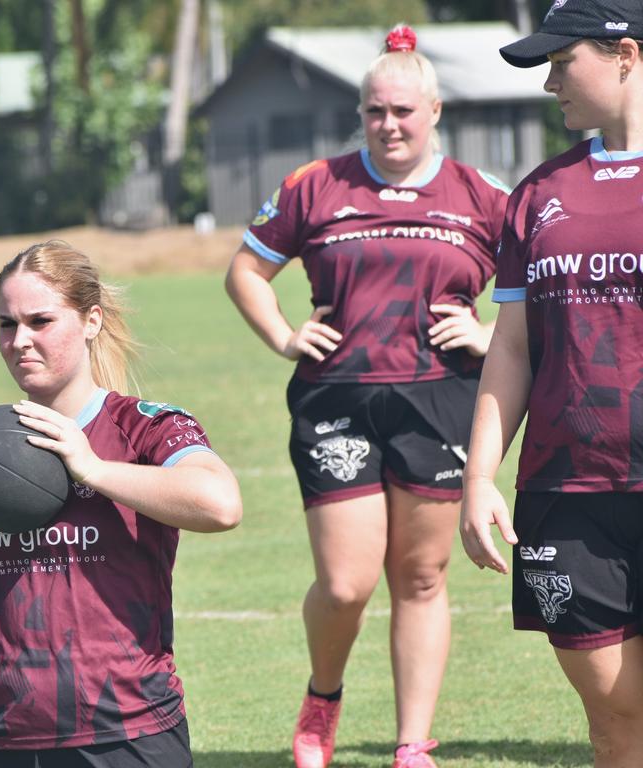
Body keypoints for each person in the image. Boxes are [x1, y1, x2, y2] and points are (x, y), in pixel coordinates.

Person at [224, 24, 509, 768]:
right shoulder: (314, 185)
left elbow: (542, 286)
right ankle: (324, 696)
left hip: (440, 400)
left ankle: (413, 744)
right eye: (376, 111)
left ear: (436, 111)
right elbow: (246, 274)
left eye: (403, 112)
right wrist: (287, 337)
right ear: (361, 113)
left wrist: (491, 338)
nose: (389, 125)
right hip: (337, 401)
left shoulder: (483, 196)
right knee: (346, 585)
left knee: (421, 577)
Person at [0, 240, 242, 768]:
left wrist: (93, 469)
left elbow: (221, 504)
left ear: (91, 321)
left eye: (40, 321)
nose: (20, 341)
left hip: (126, 729)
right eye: (6, 324)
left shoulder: (143, 425)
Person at [460, 2, 643, 765]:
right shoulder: (537, 195)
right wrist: (478, 477)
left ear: (626, 55)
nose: (549, 84)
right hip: (567, 494)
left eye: (563, 63)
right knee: (612, 715)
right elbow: (511, 347)